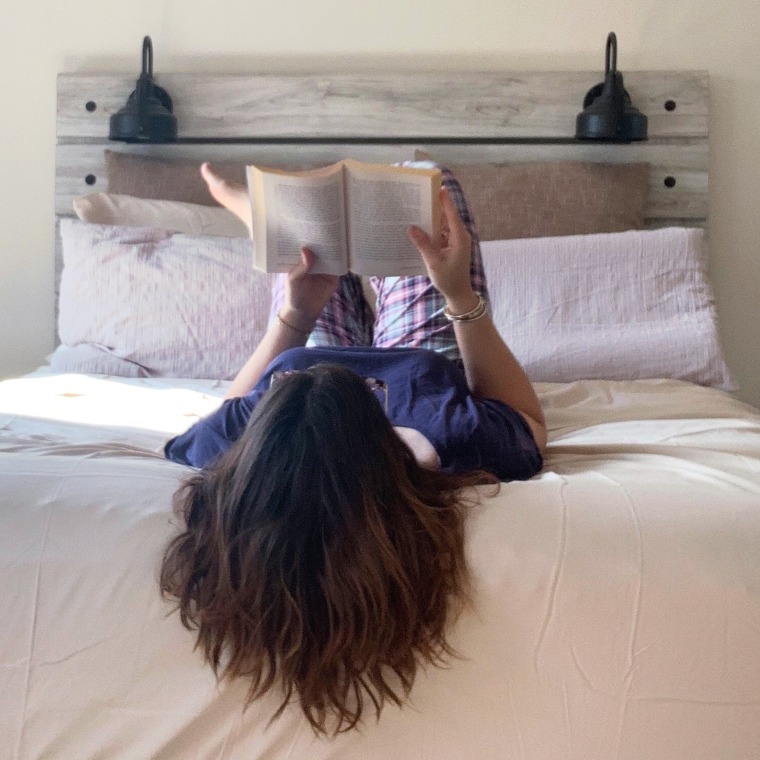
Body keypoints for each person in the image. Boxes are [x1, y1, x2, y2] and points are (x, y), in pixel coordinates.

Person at [160, 162, 546, 734]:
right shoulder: (445, 432)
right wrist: (458, 293)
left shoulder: (270, 425)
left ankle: (266, 222)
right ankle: (279, 222)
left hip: (303, 343)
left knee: (309, 259)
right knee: (429, 184)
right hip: (421, 358)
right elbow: (527, 423)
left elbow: (220, 417)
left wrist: (295, 313)